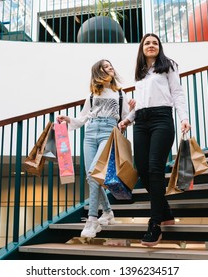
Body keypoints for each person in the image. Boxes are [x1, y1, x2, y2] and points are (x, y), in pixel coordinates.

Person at [118, 33, 191, 247]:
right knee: (141, 168)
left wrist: (184, 118)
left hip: (162, 119)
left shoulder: (169, 66)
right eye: (147, 43)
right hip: (141, 121)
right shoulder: (140, 74)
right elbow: (140, 103)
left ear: (159, 47)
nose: (151, 46)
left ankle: (155, 223)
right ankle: (166, 211)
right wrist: (127, 120)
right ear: (142, 48)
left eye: (155, 43)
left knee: (154, 168)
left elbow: (177, 93)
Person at [57, 59, 135, 238]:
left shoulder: (121, 94)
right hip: (90, 133)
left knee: (94, 173)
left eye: (111, 66)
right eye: (106, 67)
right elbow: (82, 119)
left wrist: (130, 111)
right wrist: (68, 120)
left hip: (109, 132)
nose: (111, 68)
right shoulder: (92, 95)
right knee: (90, 176)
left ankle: (93, 219)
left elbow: (125, 119)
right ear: (99, 72)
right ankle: (107, 211)